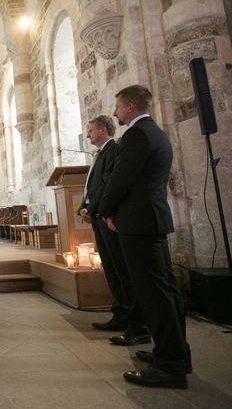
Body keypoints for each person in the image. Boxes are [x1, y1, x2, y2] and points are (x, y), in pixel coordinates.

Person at [99, 85, 191, 389]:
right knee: (166, 290)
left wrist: (106, 210)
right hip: (150, 220)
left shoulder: (137, 135)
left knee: (154, 294)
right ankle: (174, 353)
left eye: (118, 107)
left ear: (130, 106)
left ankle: (170, 366)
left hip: (138, 223)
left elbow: (121, 179)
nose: (115, 113)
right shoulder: (156, 132)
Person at [78, 115, 149, 342]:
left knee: (121, 270)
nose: (88, 134)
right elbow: (92, 186)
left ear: (101, 130)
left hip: (108, 218)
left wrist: (95, 209)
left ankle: (134, 321)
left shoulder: (113, 150)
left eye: (90, 130)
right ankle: (120, 315)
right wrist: (83, 206)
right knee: (111, 270)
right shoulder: (100, 154)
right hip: (99, 216)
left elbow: (108, 183)